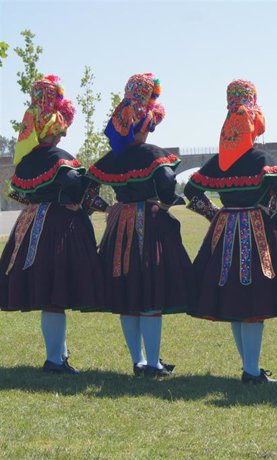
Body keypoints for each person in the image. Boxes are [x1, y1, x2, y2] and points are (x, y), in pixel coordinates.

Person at [184, 79, 277, 384]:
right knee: (253, 300)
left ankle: (249, 367)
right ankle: (250, 370)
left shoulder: (217, 163)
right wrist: (270, 212)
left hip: (223, 233)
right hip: (255, 233)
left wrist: (214, 214)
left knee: (236, 301)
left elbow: (191, 190)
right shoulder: (262, 160)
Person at [0, 75, 106, 374]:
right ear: (55, 129)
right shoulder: (62, 160)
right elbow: (82, 193)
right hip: (60, 229)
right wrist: (96, 205)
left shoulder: (26, 164)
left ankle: (58, 355)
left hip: (30, 225)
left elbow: (20, 194)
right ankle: (55, 359)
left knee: (48, 294)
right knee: (56, 293)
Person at [88, 73, 191, 377]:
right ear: (147, 122)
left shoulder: (111, 159)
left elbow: (86, 188)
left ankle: (138, 360)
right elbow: (168, 184)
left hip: (119, 225)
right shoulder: (151, 153)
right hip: (150, 223)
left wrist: (107, 207)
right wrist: (168, 203)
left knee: (127, 293)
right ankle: (154, 362)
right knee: (150, 290)